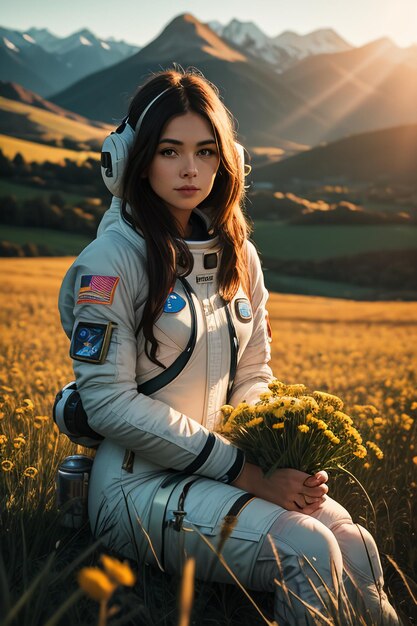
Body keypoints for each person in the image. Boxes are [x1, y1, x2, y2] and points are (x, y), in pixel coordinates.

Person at [58, 68, 399, 624]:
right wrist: (248, 475)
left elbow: (254, 376)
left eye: (206, 151)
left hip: (227, 470)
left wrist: (285, 463)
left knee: (353, 545)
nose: (190, 169)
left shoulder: (239, 256)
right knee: (308, 550)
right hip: (133, 486)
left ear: (228, 161)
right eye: (170, 151)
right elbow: (108, 404)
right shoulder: (109, 263)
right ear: (131, 158)